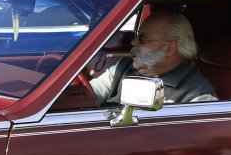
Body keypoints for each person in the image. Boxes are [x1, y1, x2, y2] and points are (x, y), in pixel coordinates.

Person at [90, 11, 218, 106]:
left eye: (142, 38)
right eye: (136, 36)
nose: (133, 42)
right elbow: (90, 94)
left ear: (169, 48)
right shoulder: (124, 66)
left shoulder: (198, 97)